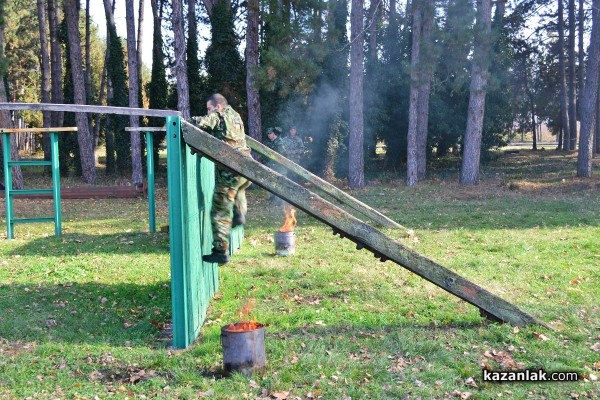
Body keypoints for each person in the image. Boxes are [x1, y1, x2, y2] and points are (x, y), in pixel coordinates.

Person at [191, 93, 251, 265]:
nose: (208, 112)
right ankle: (239, 214)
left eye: (209, 109)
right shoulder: (236, 116)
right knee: (239, 190)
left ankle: (220, 251)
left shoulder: (219, 115)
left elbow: (201, 123)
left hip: (230, 172)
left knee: (219, 211)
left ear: (217, 106)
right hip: (245, 168)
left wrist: (186, 122)